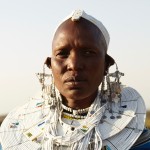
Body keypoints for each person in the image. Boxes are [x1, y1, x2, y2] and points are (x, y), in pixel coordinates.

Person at [0, 9, 150, 150]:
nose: (74, 65)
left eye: (88, 52)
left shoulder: (134, 138)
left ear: (106, 65)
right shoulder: (18, 134)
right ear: (50, 65)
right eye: (62, 54)